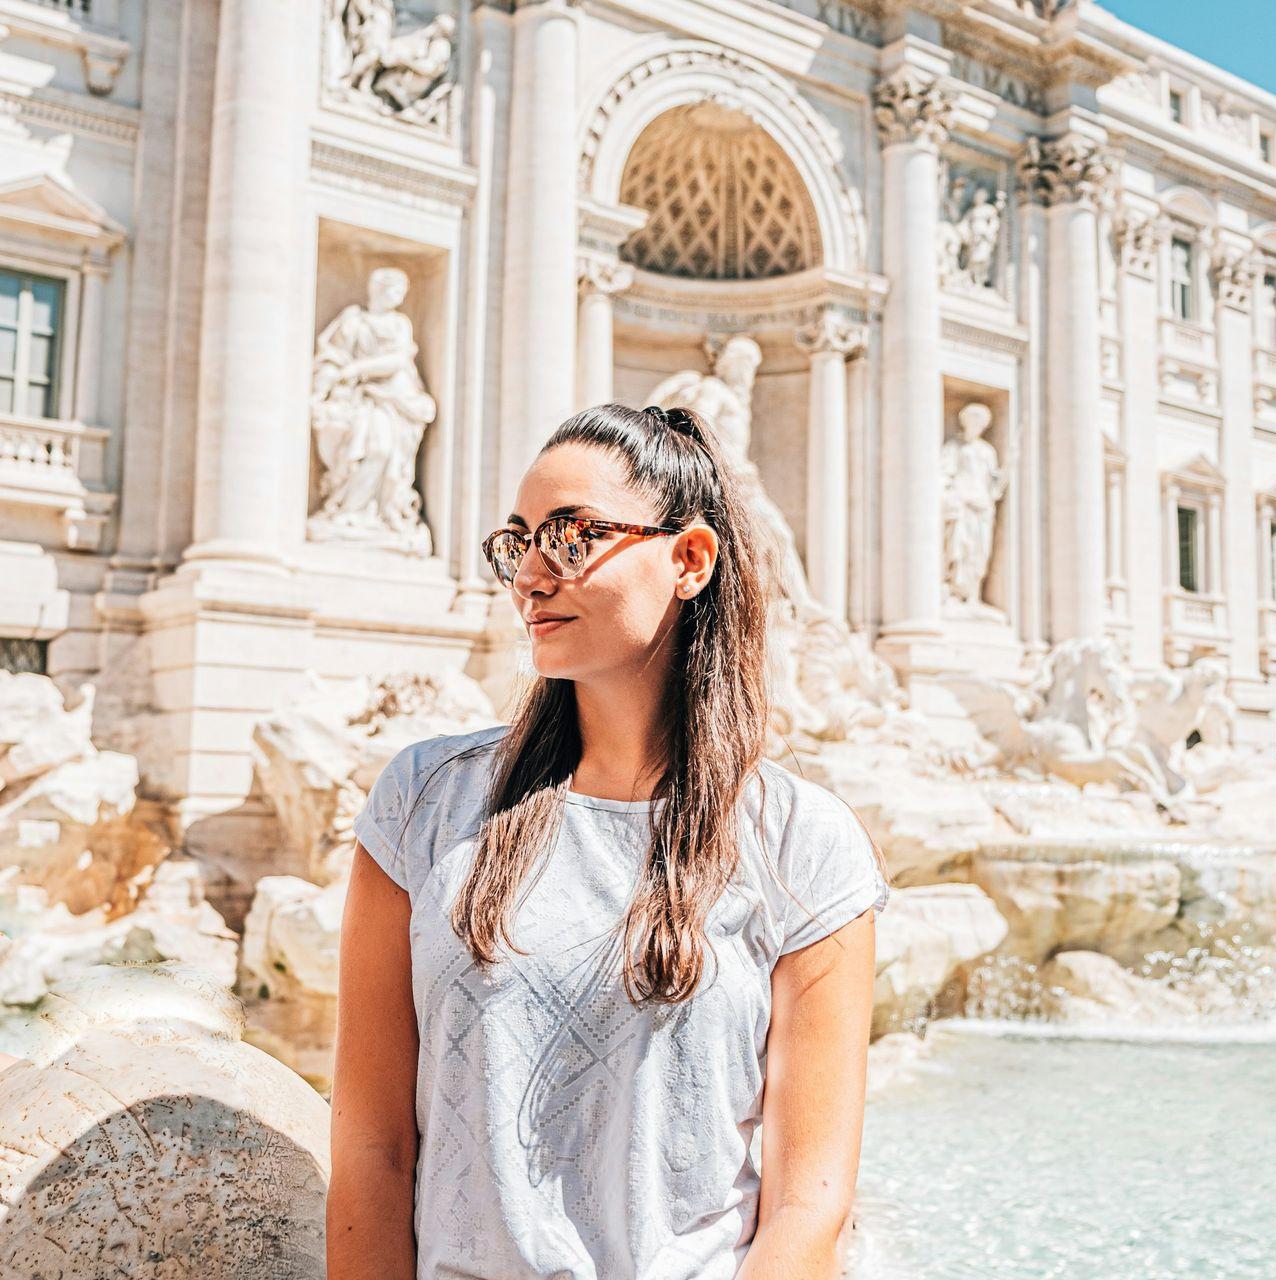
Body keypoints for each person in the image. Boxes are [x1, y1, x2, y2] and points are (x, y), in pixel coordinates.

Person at [328, 402, 891, 1280]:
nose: (532, 576)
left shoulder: (803, 846)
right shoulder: (422, 803)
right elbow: (372, 1152)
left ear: (690, 558)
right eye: (519, 541)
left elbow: (809, 1209)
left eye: (574, 535)